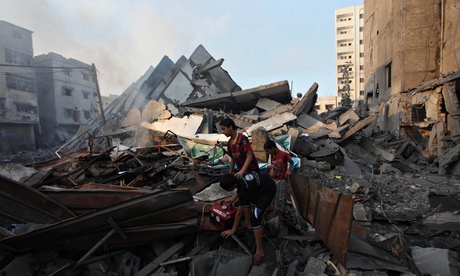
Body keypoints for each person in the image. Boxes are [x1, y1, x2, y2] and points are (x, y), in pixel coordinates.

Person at [220, 172, 276, 264]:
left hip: (268, 191)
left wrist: (232, 230)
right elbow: (240, 189)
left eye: (228, 189)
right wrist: (231, 200)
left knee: (256, 219)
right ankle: (247, 223)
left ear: (233, 185)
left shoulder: (244, 189)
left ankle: (260, 251)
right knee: (246, 203)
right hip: (262, 184)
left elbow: (238, 213)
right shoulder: (238, 176)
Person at [220, 118, 259, 229]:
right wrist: (230, 172)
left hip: (251, 170)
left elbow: (249, 156)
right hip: (242, 171)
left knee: (247, 196)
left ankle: (249, 221)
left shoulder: (242, 139)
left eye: (224, 129)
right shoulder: (229, 143)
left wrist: (242, 170)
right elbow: (232, 158)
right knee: (243, 192)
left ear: (230, 127)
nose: (223, 132)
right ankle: (247, 220)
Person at [264, 140, 294, 221]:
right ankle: (272, 210)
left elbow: (291, 162)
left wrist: (288, 170)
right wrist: (271, 170)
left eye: (268, 150)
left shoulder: (283, 154)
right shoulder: (272, 155)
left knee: (280, 197)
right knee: (272, 195)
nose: (268, 152)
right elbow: (273, 165)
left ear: (273, 148)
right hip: (274, 178)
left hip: (281, 179)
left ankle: (280, 215)